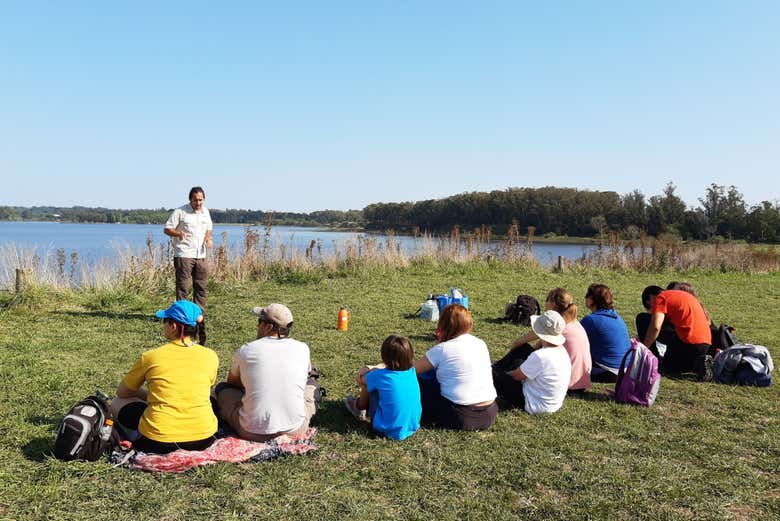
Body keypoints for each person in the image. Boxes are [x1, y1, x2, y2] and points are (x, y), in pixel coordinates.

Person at [111, 300, 218, 454]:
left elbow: (122, 392)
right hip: (205, 439)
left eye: (165, 321)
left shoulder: (151, 357)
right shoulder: (210, 356)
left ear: (173, 326)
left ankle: (134, 436)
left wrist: (147, 395)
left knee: (117, 402)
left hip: (159, 442)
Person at [214, 303, 317, 442]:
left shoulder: (247, 350)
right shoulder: (302, 348)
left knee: (223, 389)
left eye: (259, 322)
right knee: (310, 384)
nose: (257, 326)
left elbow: (233, 383)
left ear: (268, 326)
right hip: (295, 429)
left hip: (251, 431)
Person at [412, 304, 498, 431]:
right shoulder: (480, 343)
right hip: (490, 412)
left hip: (460, 416)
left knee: (418, 382)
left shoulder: (442, 349)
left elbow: (409, 371)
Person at [494, 288, 591, 393]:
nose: (545, 304)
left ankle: (496, 369)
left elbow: (518, 343)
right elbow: (538, 346)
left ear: (553, 304)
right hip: (580, 382)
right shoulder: (573, 321)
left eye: (547, 300)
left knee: (521, 350)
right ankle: (497, 368)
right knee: (525, 355)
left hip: (566, 384)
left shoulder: (553, 325)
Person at [344, 335, 422, 441]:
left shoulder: (381, 376)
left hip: (386, 429)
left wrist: (366, 369)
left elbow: (361, 380)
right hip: (412, 426)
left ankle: (359, 406)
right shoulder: (412, 372)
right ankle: (362, 406)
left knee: (370, 383)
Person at [492, 310, 571, 413]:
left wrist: (502, 375)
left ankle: (493, 371)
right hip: (552, 403)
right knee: (522, 350)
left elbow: (516, 376)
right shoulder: (562, 351)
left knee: (497, 377)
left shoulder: (541, 356)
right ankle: (495, 368)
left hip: (534, 404)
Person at [164, 186, 213, 345]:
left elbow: (209, 228)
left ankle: (198, 314)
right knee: (183, 286)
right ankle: (182, 315)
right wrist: (178, 233)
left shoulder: (206, 212)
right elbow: (167, 229)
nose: (198, 203)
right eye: (195, 200)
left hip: (201, 255)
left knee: (201, 286)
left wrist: (208, 239)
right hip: (184, 253)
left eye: (200, 200)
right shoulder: (180, 212)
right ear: (190, 199)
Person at [639, 284, 713, 380]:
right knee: (674, 365)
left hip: (688, 342)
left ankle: (652, 359)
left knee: (642, 319)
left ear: (651, 299)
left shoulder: (661, 298)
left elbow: (655, 327)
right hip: (705, 344)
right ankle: (697, 364)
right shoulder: (685, 296)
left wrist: (645, 347)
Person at [580, 284, 632, 382]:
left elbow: (572, 339)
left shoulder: (591, 320)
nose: (585, 298)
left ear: (592, 299)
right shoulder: (616, 316)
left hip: (608, 372)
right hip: (626, 370)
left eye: (587, 295)